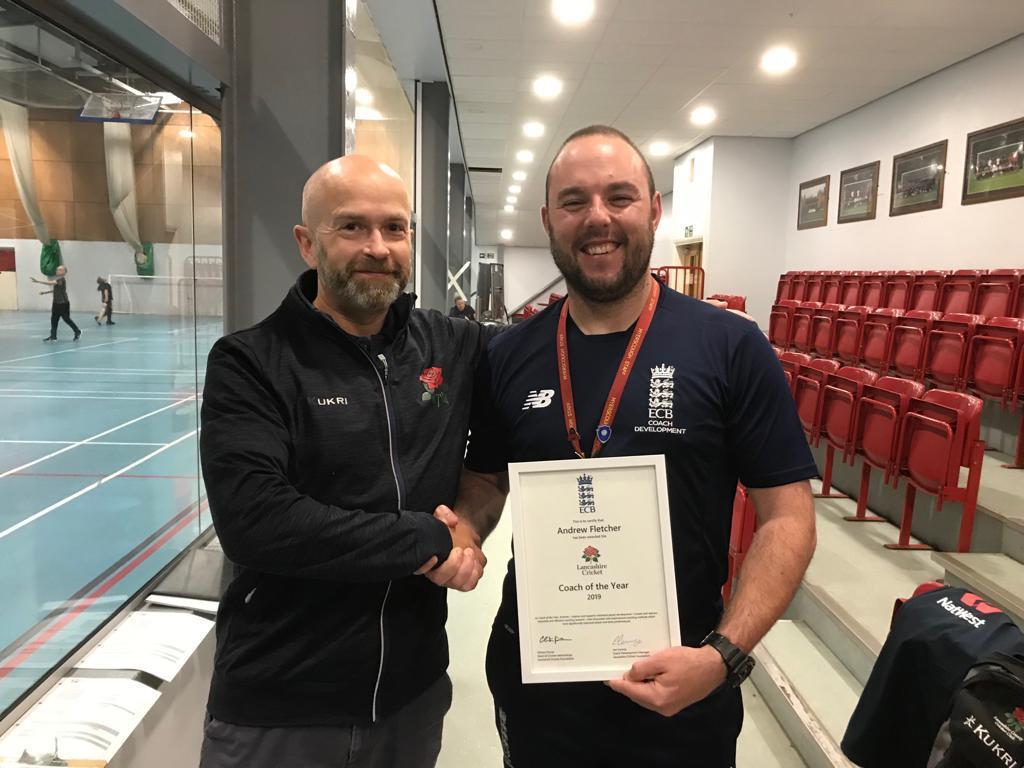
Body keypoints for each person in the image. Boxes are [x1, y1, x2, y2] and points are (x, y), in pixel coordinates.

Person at [460, 125, 818, 767]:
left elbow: (787, 519)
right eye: (574, 202)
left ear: (653, 209)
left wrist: (723, 657)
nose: (597, 218)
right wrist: (464, 534)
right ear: (548, 219)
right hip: (538, 676)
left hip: (682, 686)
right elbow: (486, 482)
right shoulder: (507, 354)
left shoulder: (731, 348)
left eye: (619, 197)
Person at [198, 155, 504, 768]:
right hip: (282, 707)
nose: (378, 247)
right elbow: (257, 523)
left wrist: (468, 524)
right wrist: (427, 537)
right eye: (352, 227)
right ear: (307, 244)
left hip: (410, 700)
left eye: (395, 228)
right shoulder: (251, 363)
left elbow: (495, 454)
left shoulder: (455, 345)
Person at [31, 265, 80, 342]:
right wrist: (45, 292)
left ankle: (77, 331)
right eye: (57, 269)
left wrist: (38, 281)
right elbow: (56, 290)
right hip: (56, 303)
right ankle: (53, 336)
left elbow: (51, 283)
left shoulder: (61, 279)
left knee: (66, 319)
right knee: (54, 319)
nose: (58, 270)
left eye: (60, 269)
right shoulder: (58, 280)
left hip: (63, 303)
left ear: (64, 272)